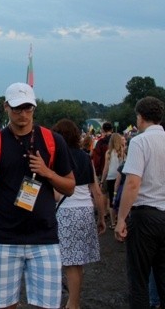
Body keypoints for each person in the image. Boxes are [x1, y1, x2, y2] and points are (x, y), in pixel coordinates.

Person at [0, 82, 75, 309]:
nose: (23, 114)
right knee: (4, 305)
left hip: (44, 239)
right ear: (5, 107)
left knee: (48, 305)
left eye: (28, 108)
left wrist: (47, 172)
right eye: (17, 108)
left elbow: (69, 186)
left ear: (35, 108)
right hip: (5, 238)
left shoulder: (53, 141)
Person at [114, 96, 165, 308]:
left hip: (147, 215)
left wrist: (121, 219)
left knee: (139, 278)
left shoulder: (140, 141)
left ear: (140, 117)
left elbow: (132, 183)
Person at [53, 119, 106, 309]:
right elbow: (97, 191)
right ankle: (74, 301)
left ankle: (71, 304)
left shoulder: (57, 158)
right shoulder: (85, 157)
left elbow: (57, 194)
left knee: (67, 263)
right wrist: (101, 217)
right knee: (78, 263)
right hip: (85, 211)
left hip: (66, 213)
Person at [100, 133, 125, 227]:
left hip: (110, 177)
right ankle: (120, 220)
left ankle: (113, 223)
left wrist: (102, 180)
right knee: (120, 198)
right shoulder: (122, 151)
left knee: (111, 199)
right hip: (120, 177)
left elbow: (106, 168)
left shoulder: (108, 152)